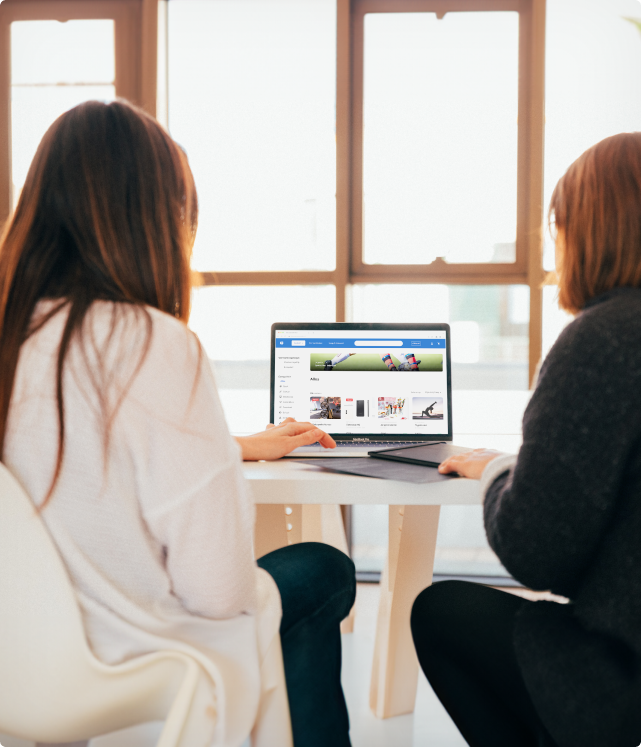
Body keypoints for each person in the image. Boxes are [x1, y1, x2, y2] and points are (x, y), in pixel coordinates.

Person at [0, 100, 355, 747]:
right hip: (136, 664)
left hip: (16, 665)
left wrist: (231, 446)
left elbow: (80, 464)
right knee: (324, 569)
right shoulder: (154, 344)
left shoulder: (12, 336)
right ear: (156, 220)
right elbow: (218, 590)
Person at [411, 132, 641, 747]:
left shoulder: (603, 340)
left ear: (587, 231)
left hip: (625, 685)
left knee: (439, 613)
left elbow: (536, 553)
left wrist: (495, 472)